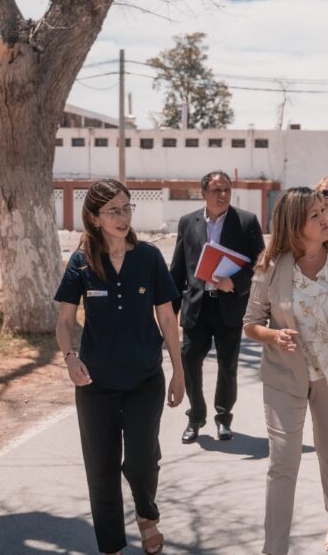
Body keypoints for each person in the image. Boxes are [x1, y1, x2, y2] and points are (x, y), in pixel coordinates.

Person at [242, 187, 328, 554]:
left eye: (324, 210)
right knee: (282, 462)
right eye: (314, 215)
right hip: (285, 377)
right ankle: (274, 548)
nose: (325, 219)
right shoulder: (271, 265)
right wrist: (273, 336)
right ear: (293, 224)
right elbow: (251, 323)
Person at [54, 180, 185, 555]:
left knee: (143, 461)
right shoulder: (81, 262)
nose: (123, 216)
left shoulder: (149, 257)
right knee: (102, 469)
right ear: (95, 218)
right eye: (113, 210)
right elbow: (65, 321)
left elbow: (166, 316)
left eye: (127, 207)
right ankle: (111, 546)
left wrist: (179, 371)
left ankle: (146, 514)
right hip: (95, 384)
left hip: (145, 379)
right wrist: (70, 357)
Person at [171, 171, 265, 443]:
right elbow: (178, 269)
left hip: (229, 305)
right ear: (203, 194)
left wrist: (235, 282)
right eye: (216, 190)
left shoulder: (246, 221)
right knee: (190, 361)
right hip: (196, 306)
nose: (223, 195)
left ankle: (224, 418)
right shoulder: (188, 222)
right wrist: (169, 311)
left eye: (227, 190)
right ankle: (196, 416)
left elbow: (261, 264)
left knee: (227, 365)